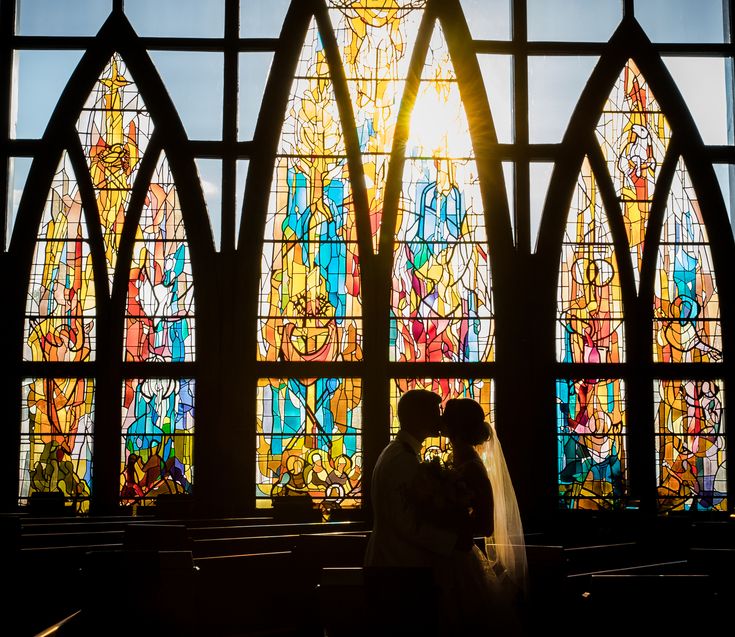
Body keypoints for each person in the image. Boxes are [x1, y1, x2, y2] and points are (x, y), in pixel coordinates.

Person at [364, 389, 470, 636]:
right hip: (397, 571)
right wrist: (452, 542)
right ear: (416, 416)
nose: (440, 420)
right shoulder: (401, 460)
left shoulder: (400, 453)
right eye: (435, 412)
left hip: (397, 568)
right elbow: (405, 522)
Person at [437, 397, 528, 636]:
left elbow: (486, 525)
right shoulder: (455, 461)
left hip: (459, 557)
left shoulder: (472, 468)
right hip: (445, 553)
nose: (440, 421)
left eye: (445, 417)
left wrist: (450, 522)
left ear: (454, 428)